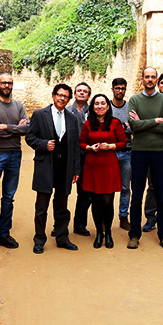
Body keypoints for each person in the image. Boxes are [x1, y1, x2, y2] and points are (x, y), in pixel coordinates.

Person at [26, 84, 82, 254]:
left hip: (65, 168)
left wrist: (76, 169)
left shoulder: (72, 118)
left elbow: (75, 146)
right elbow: (29, 137)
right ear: (53, 96)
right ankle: (39, 240)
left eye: (65, 96)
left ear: (69, 99)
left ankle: (62, 237)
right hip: (45, 167)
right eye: (59, 95)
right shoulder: (39, 114)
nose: (62, 98)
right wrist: (43, 144)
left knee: (62, 206)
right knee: (41, 206)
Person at [127, 67, 163, 250]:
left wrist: (143, 124)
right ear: (142, 79)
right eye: (147, 77)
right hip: (139, 152)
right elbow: (133, 125)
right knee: (136, 195)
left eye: (152, 77)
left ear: (156, 79)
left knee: (161, 195)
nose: (149, 79)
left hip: (159, 152)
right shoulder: (134, 100)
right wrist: (155, 121)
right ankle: (134, 235)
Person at [0, 73, 29, 249]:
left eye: (9, 83)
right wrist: (17, 128)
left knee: (8, 197)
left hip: (14, 155)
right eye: (4, 83)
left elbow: (27, 128)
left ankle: (4, 234)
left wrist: (7, 127)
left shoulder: (18, 105)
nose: (7, 86)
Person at [79, 93, 128, 249]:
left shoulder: (115, 123)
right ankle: (99, 233)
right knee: (96, 201)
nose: (99, 106)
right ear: (93, 107)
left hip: (109, 165)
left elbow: (123, 142)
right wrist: (89, 147)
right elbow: (81, 142)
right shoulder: (88, 123)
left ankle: (108, 233)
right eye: (96, 104)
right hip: (93, 165)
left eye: (103, 103)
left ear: (108, 106)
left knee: (107, 202)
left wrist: (110, 146)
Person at [110, 77, 134, 230]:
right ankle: (107, 217)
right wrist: (124, 128)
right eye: (117, 88)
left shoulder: (130, 108)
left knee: (125, 187)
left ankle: (123, 216)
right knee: (109, 187)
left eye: (123, 88)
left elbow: (134, 128)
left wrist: (126, 129)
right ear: (112, 89)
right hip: (110, 153)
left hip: (127, 152)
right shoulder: (107, 107)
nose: (120, 91)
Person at [70, 82, 93, 237]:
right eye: (79, 90)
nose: (82, 93)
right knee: (62, 192)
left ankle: (79, 224)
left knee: (84, 192)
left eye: (85, 91)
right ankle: (59, 225)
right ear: (74, 93)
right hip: (68, 156)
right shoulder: (65, 110)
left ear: (89, 95)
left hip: (87, 156)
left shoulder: (94, 111)